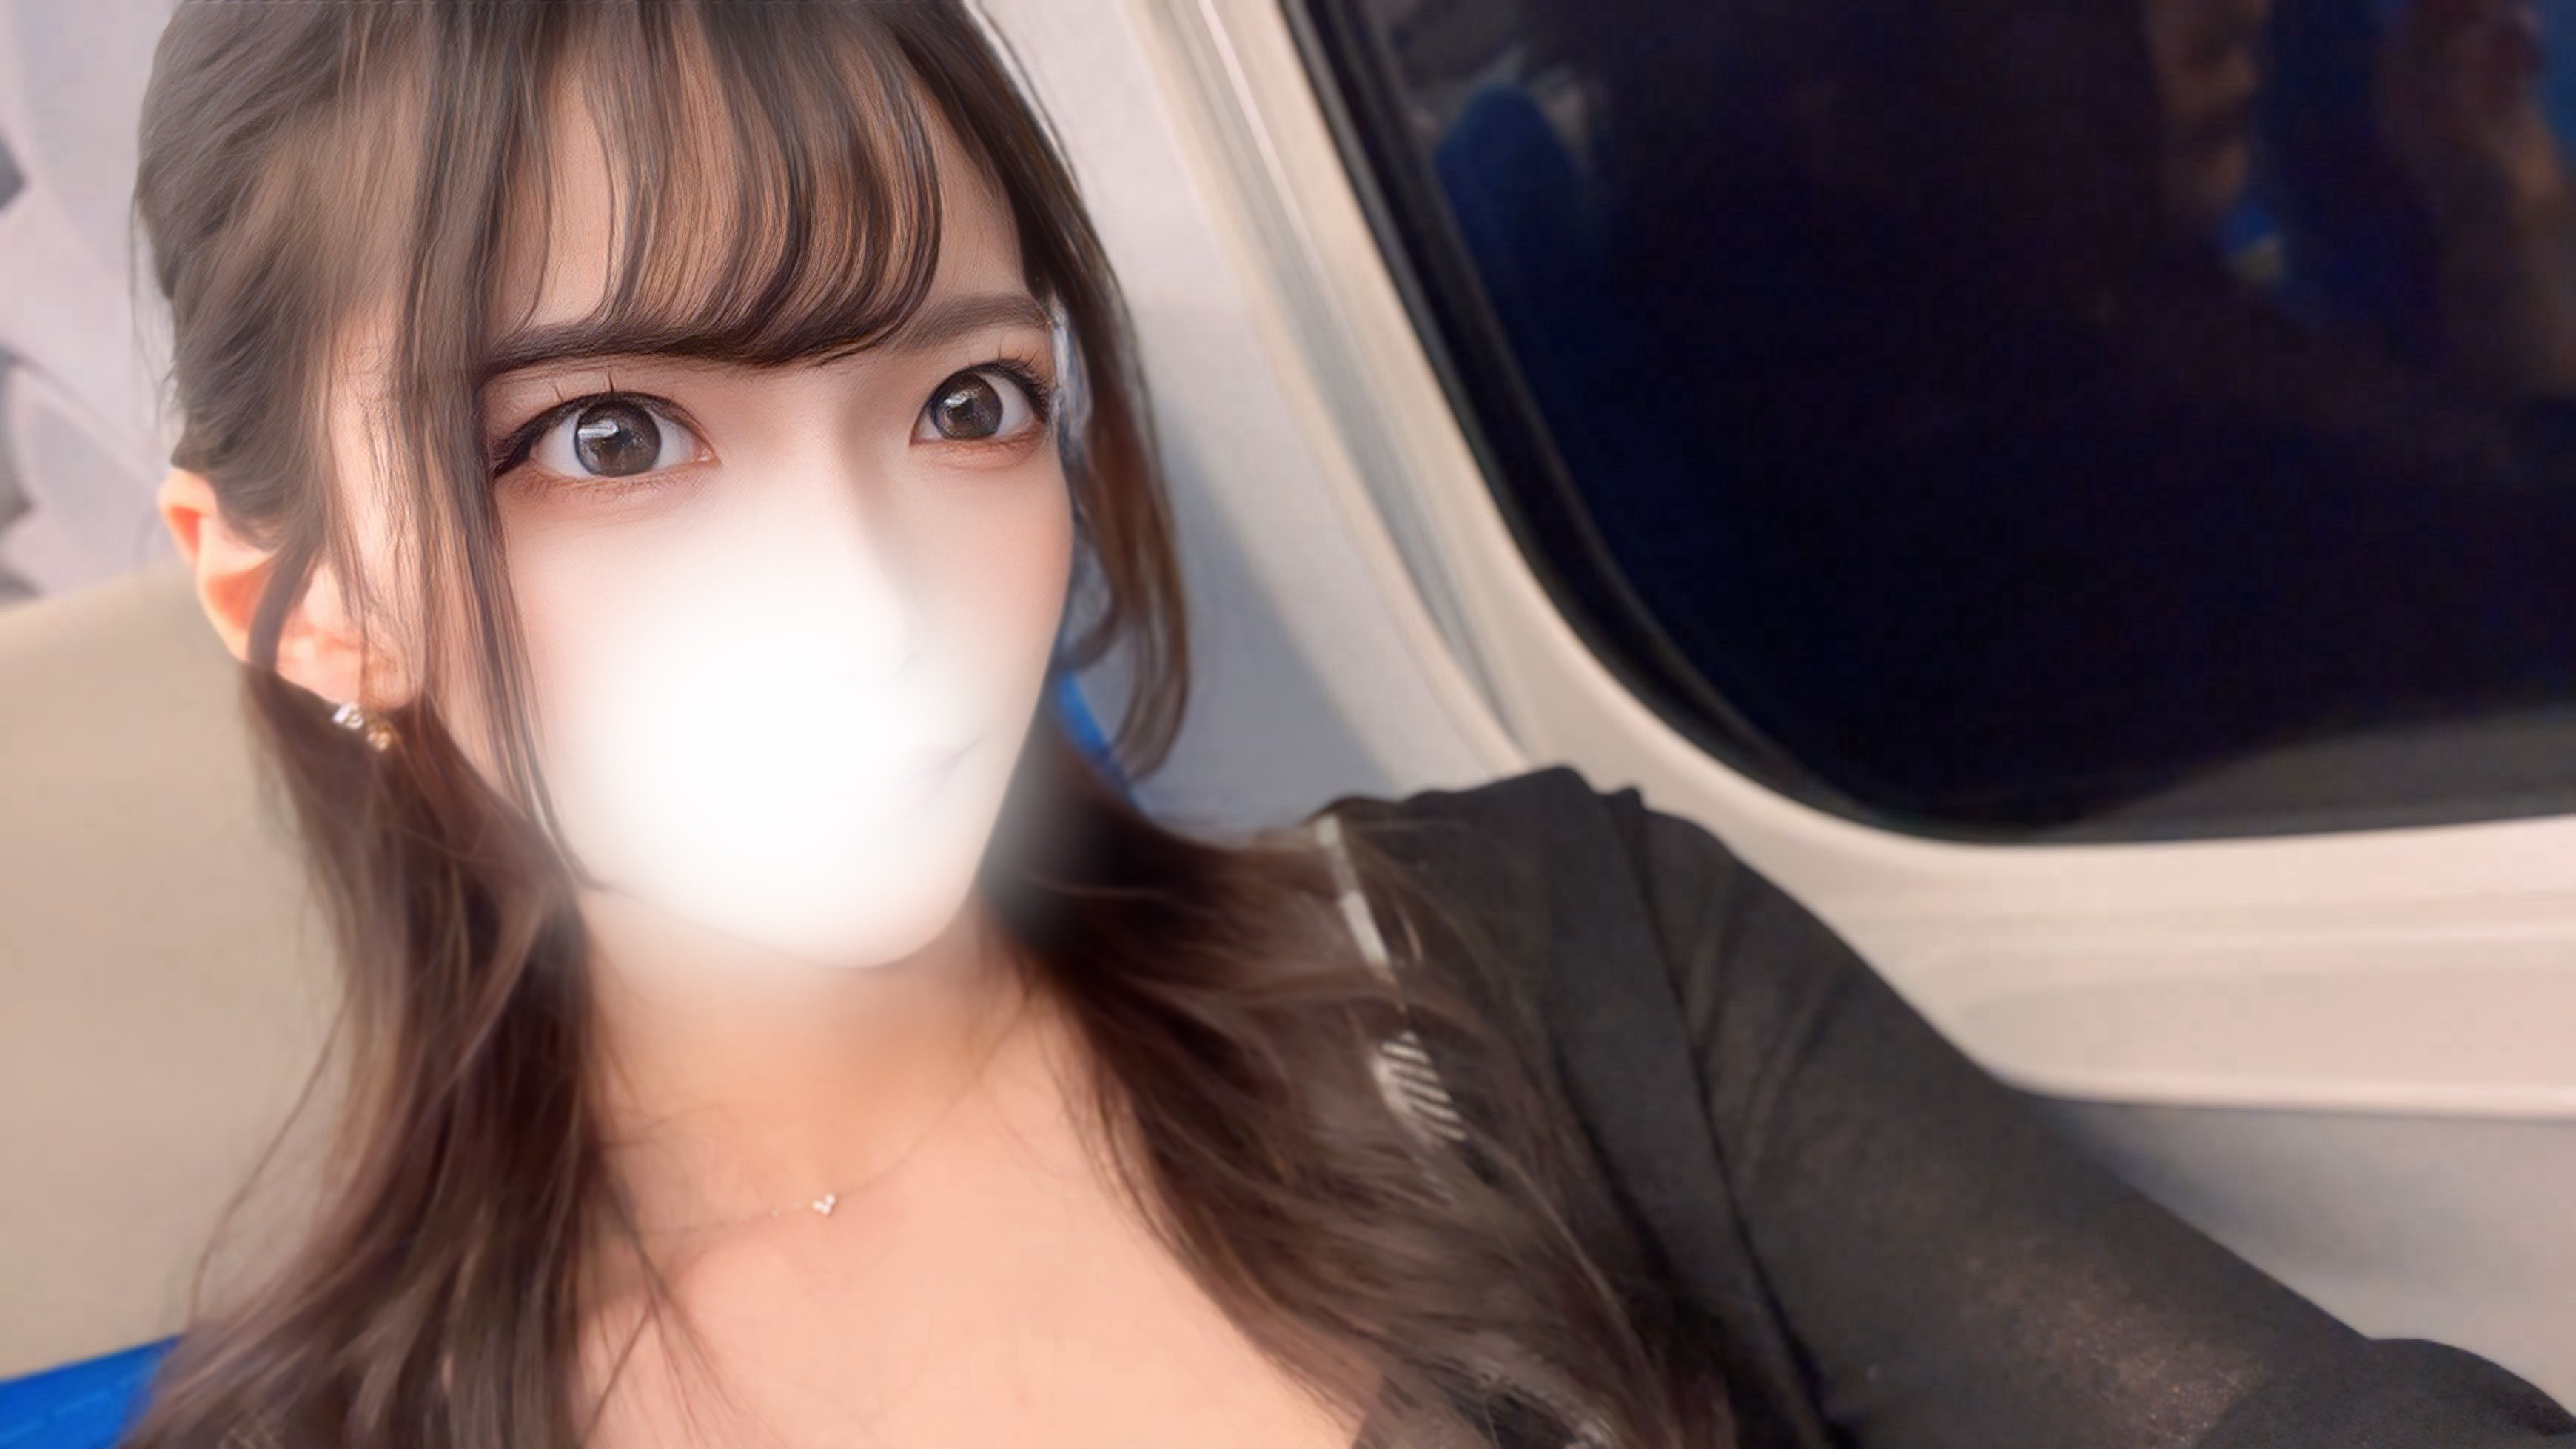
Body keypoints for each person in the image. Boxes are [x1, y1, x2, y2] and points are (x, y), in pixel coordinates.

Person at [107, 2, 2576, 1446]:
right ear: (293, 599)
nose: (869, 595)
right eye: (608, 438)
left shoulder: (1532, 966)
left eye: (965, 405)